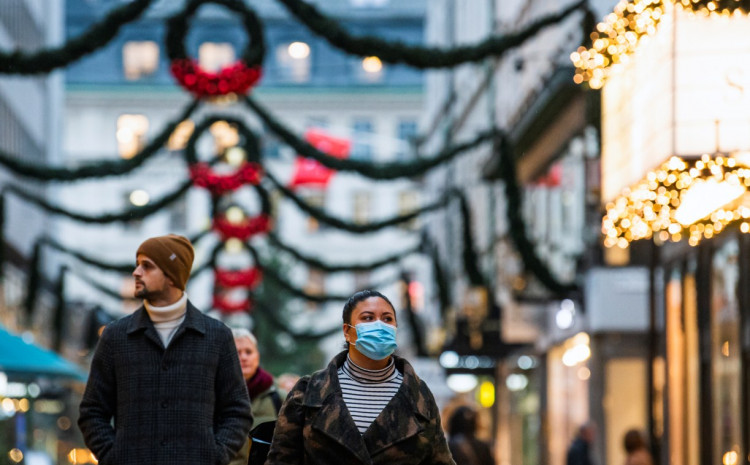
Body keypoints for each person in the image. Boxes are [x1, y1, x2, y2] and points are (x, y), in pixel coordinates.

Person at [78, 234, 253, 465]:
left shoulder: (216, 337)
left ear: (172, 275)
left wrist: (214, 456)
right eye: (137, 264)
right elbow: (92, 411)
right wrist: (115, 457)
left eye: (147, 266)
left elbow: (237, 411)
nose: (136, 272)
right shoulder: (116, 336)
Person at [265, 289, 456, 465]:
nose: (380, 325)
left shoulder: (418, 396)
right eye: (368, 318)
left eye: (387, 319)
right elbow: (281, 460)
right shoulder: (308, 393)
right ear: (347, 332)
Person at [230, 328, 284, 465]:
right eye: (237, 352)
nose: (243, 357)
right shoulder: (211, 398)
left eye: (248, 352)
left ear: (257, 356)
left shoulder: (280, 398)